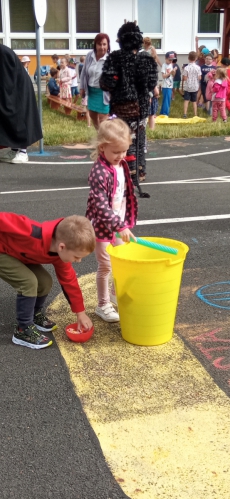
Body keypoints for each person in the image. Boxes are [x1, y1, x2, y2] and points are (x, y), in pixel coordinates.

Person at [0, 213, 95, 349]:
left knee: (45, 281)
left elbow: (70, 282)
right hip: (2, 253)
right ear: (62, 247)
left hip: (18, 255)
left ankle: (34, 314)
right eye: (76, 257)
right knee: (28, 282)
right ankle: (23, 329)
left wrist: (81, 313)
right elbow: (3, 219)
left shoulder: (60, 254)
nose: (78, 261)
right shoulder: (29, 231)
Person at [86, 118, 137, 322]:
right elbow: (100, 206)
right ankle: (103, 305)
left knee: (121, 261)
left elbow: (123, 194)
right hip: (101, 227)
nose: (121, 156)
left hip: (118, 224)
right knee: (106, 265)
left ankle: (115, 295)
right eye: (116, 152)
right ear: (102, 148)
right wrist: (119, 225)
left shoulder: (120, 164)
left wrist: (124, 222)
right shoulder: (99, 172)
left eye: (124, 151)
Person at [100, 22, 157, 186]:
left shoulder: (115, 57)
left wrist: (117, 80)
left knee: (124, 139)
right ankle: (140, 171)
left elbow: (107, 83)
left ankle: (129, 173)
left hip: (121, 106)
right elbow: (151, 82)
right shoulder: (147, 58)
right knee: (139, 138)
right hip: (142, 107)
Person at [0, 44, 42, 164]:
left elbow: (7, 76)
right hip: (8, 88)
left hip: (18, 88)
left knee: (21, 117)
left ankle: (23, 151)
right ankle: (14, 149)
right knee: (9, 118)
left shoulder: (3, 52)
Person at [80, 33, 110, 129]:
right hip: (91, 91)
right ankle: (99, 135)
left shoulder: (110, 59)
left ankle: (103, 140)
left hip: (103, 93)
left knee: (103, 119)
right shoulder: (89, 56)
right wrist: (82, 88)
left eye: (104, 44)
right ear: (95, 45)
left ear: (108, 45)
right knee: (92, 115)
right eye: (99, 44)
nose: (102, 47)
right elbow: (84, 73)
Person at [182, 51, 201, 118]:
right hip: (195, 86)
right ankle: (195, 114)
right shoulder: (198, 67)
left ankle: (185, 114)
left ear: (188, 58)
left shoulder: (186, 68)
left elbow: (184, 78)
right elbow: (199, 77)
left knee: (186, 100)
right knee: (194, 101)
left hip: (188, 86)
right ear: (196, 58)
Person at [160, 51, 176, 116]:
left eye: (172, 60)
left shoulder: (171, 65)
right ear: (165, 58)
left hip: (170, 85)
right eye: (169, 60)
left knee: (168, 100)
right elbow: (163, 76)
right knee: (166, 100)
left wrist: (174, 71)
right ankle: (165, 113)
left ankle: (163, 112)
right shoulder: (164, 65)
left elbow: (173, 75)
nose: (170, 61)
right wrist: (170, 72)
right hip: (165, 85)